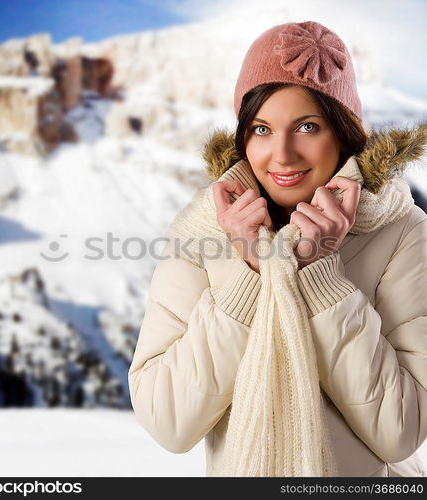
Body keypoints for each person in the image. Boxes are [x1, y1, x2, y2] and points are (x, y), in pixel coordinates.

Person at [128, 20, 427, 477]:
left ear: (344, 133)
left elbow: (400, 431)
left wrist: (320, 277)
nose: (282, 154)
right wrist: (247, 273)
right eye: (262, 129)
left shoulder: (403, 230)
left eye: (308, 126)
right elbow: (169, 422)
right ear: (243, 136)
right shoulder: (201, 231)